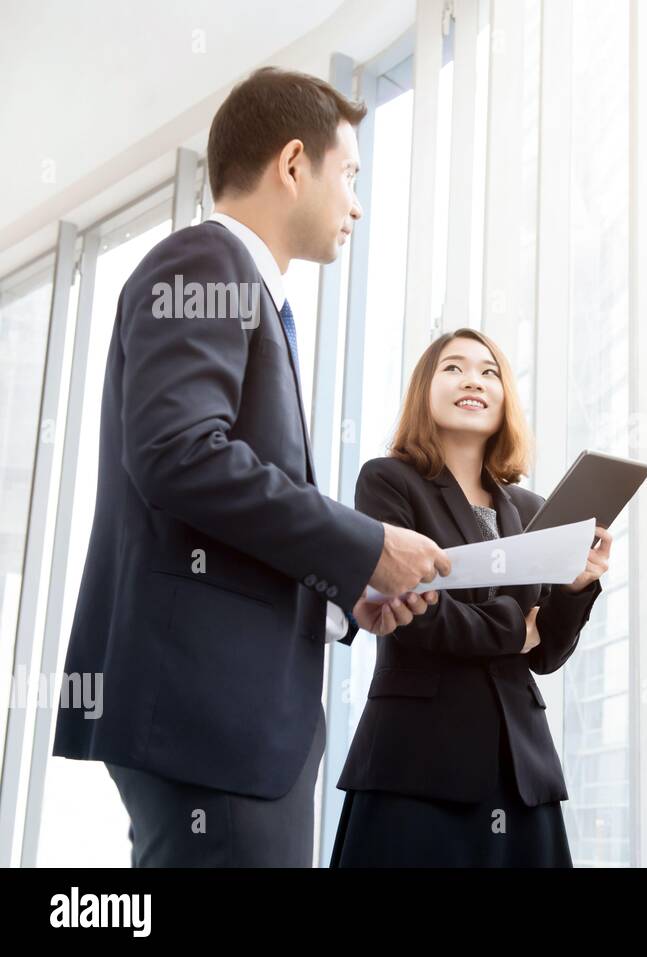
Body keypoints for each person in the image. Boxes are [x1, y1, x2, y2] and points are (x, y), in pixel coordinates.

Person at [52, 67, 448, 867]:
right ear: (294, 164)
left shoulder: (246, 291)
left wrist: (343, 593)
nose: (358, 206)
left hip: (225, 722)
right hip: (212, 720)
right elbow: (179, 454)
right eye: (351, 176)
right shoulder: (207, 263)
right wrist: (365, 542)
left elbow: (218, 492)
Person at [330, 328, 609, 867]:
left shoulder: (531, 508)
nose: (472, 381)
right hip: (417, 764)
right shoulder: (388, 482)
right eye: (453, 368)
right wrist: (515, 628)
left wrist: (576, 587)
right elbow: (409, 610)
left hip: (520, 767)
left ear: (505, 397)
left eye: (489, 371)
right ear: (425, 391)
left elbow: (545, 653)